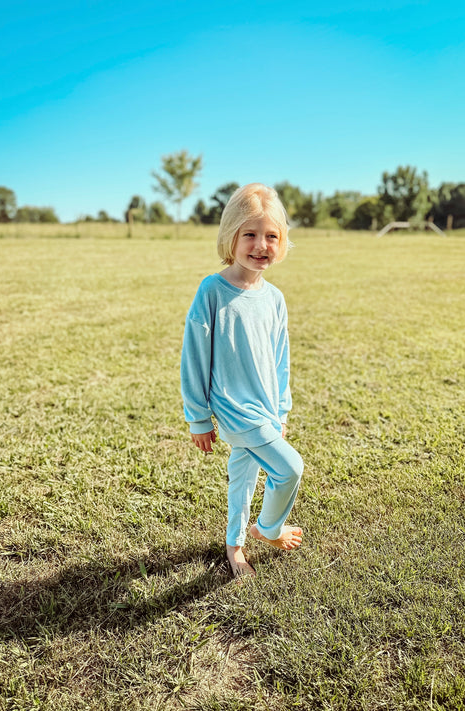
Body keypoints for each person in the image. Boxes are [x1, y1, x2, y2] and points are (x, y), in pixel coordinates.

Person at [180, 183, 303, 579]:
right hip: (235, 409)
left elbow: (281, 360)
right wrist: (198, 418)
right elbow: (194, 358)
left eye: (271, 236)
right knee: (290, 469)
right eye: (249, 234)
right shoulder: (212, 291)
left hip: (266, 409)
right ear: (230, 235)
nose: (260, 245)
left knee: (243, 478)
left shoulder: (275, 298)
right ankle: (267, 529)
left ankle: (235, 547)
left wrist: (281, 409)